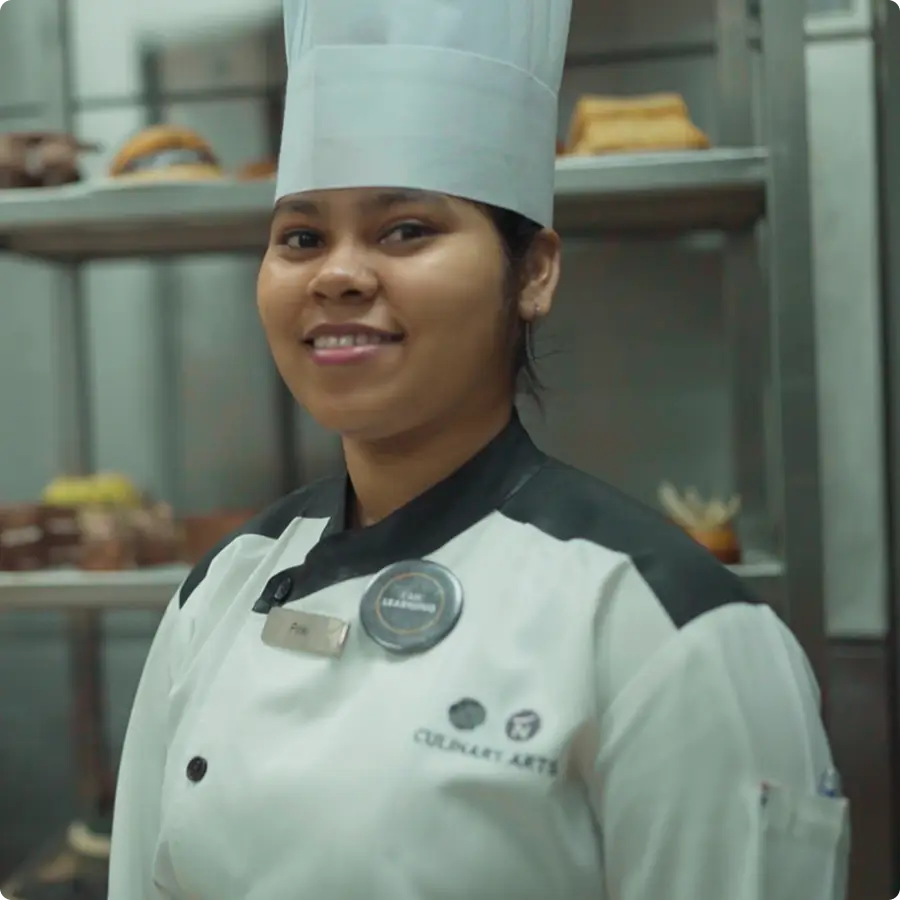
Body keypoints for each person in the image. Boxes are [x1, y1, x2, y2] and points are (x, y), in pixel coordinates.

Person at [108, 0, 850, 897]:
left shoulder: (665, 629)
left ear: (533, 271)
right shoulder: (221, 590)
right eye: (301, 237)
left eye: (406, 230)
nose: (338, 273)